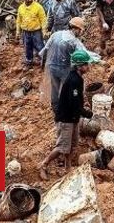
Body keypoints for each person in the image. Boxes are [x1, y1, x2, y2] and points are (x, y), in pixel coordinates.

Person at [40, 50, 94, 180]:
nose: (88, 66)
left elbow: (77, 101)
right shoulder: (73, 80)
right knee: (62, 147)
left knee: (72, 144)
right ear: (80, 66)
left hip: (73, 118)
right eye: (86, 64)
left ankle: (68, 168)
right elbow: (74, 103)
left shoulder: (77, 78)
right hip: (66, 119)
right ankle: (43, 164)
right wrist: (86, 113)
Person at [40, 17, 87, 118]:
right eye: (80, 30)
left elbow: (45, 49)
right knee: (69, 89)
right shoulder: (74, 41)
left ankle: (56, 110)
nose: (80, 33)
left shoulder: (55, 34)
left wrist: (43, 64)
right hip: (65, 69)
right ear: (76, 29)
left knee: (55, 88)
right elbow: (83, 55)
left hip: (52, 67)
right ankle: (69, 110)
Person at [16, 0, 47, 67]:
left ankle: (44, 61)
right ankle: (29, 61)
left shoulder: (38, 7)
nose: (29, 0)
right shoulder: (21, 8)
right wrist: (17, 32)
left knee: (40, 46)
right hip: (25, 32)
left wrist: (44, 32)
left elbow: (43, 20)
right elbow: (18, 21)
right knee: (27, 47)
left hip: (36, 31)